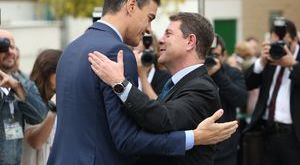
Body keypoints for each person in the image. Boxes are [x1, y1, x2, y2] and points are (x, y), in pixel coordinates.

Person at [47, 0, 238, 165]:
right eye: (149, 18)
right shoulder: (117, 52)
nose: (149, 30)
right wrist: (194, 137)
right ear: (131, 6)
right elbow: (127, 140)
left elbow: (160, 115)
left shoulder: (72, 49)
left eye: (167, 33)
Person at [89, 12, 222, 165]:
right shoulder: (179, 84)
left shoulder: (202, 88)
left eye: (168, 34)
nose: (160, 40)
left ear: (190, 42)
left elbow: (162, 118)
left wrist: (120, 83)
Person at [244, 18, 300, 165]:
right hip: (267, 134)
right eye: (275, 44)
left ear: (295, 40)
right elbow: (247, 84)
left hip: (294, 137)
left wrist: (293, 64)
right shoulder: (271, 58)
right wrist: (261, 62)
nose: (280, 48)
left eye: (284, 44)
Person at [0, 29, 48, 165]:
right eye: (3, 47)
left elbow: (40, 116)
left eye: (12, 46)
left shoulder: (23, 83)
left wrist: (17, 88)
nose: (10, 52)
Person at [204, 35, 247, 165]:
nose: (212, 58)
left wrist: (218, 74)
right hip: (200, 146)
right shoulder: (197, 73)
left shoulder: (232, 73)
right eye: (208, 54)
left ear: (224, 56)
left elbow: (240, 99)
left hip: (226, 147)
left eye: (216, 55)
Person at [22, 49, 62, 165]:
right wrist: (53, 109)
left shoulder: (62, 97)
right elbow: (36, 142)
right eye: (59, 72)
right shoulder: (30, 98)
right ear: (46, 73)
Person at [133, 34, 171, 99]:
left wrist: (142, 75)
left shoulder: (164, 76)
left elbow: (158, 106)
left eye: (143, 53)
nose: (142, 57)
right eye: (139, 53)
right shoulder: (128, 74)